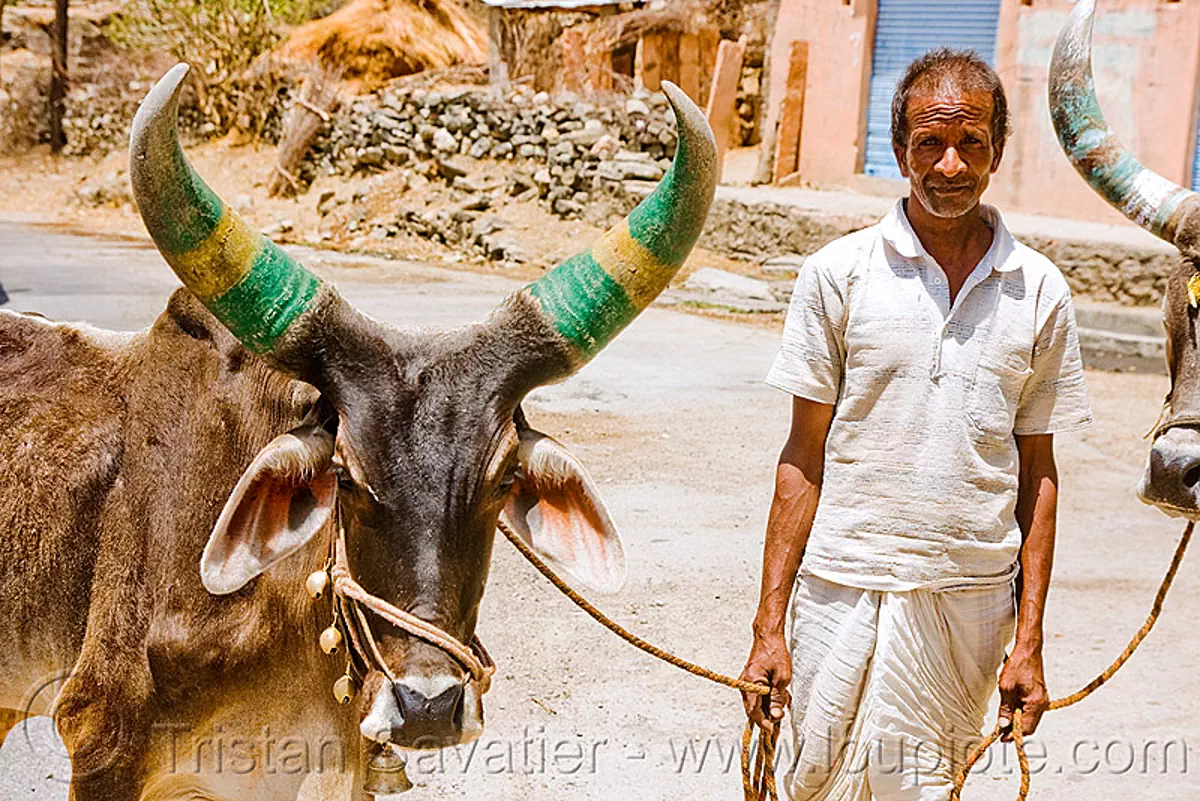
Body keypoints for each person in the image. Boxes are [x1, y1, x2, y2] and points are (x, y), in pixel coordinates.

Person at [740, 48, 1092, 800]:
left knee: (930, 790)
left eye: (971, 142)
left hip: (969, 602)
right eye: (929, 143)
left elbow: (1039, 475)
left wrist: (1027, 643)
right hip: (841, 585)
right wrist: (769, 627)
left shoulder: (1040, 291)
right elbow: (801, 456)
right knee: (807, 784)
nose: (951, 165)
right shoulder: (838, 274)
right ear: (900, 150)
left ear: (998, 150)